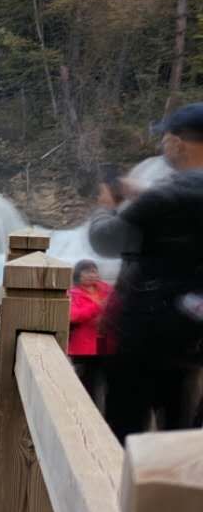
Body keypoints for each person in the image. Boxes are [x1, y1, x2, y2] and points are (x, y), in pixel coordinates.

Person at [88, 102, 203, 440]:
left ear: (178, 143)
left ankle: (125, 490)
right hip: (193, 337)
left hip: (146, 333)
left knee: (126, 434)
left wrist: (106, 207)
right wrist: (144, 196)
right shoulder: (169, 194)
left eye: (165, 138)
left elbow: (105, 241)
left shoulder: (166, 197)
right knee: (182, 434)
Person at [67, 259, 111, 405]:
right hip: (82, 347)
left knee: (105, 381)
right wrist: (97, 307)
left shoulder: (106, 289)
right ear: (78, 275)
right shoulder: (72, 294)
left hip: (103, 341)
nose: (92, 274)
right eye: (87, 271)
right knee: (87, 383)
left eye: (94, 271)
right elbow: (74, 316)